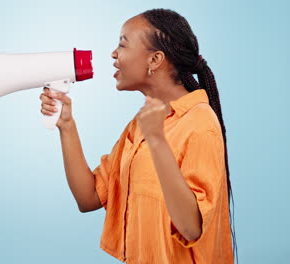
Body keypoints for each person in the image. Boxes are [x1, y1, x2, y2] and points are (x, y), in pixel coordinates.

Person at [39, 8, 236, 264]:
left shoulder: (199, 123)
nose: (113, 53)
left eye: (122, 44)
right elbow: (88, 198)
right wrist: (66, 125)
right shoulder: (141, 125)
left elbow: (191, 227)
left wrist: (157, 141)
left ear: (155, 60)